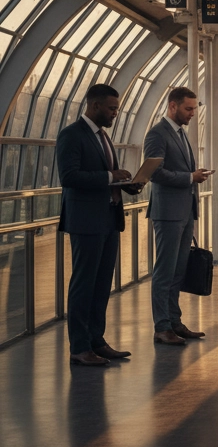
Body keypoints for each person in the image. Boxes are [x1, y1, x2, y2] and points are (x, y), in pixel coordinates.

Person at [57, 83, 141, 365]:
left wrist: (128, 183)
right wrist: (109, 176)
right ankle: (79, 347)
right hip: (86, 220)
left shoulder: (103, 137)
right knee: (84, 283)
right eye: (112, 108)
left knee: (102, 282)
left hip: (108, 217)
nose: (115, 113)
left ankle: (96, 339)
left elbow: (107, 176)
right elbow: (69, 177)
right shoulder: (72, 135)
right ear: (95, 106)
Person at [144, 87, 212, 346]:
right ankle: (162, 326)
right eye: (188, 108)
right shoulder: (157, 134)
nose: (193, 113)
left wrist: (194, 174)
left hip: (184, 211)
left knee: (177, 271)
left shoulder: (180, 134)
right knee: (164, 270)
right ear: (173, 106)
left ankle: (174, 321)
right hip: (168, 213)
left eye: (194, 108)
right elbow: (154, 172)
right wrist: (189, 178)